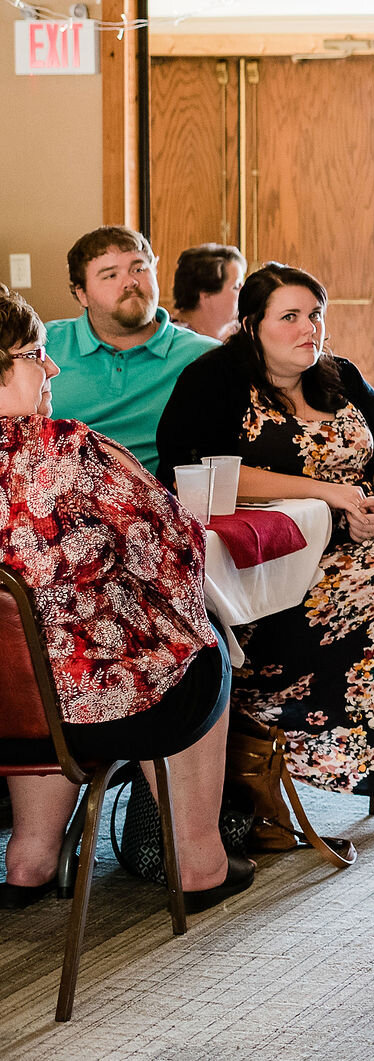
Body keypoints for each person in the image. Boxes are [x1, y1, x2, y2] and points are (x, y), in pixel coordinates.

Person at [156, 263, 374, 808]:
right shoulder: (215, 378)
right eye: (289, 317)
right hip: (263, 551)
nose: (307, 329)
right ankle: (268, 709)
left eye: (314, 315)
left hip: (350, 537)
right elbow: (199, 467)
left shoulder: (340, 374)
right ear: (252, 325)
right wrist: (328, 491)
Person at [0, 288, 253, 912]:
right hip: (100, 706)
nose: (53, 367)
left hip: (7, 709)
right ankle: (198, 861)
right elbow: (173, 550)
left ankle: (30, 859)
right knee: (203, 645)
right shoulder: (68, 453)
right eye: (36, 354)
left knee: (29, 673)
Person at [45, 226, 217, 473]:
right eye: (110, 275)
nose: (130, 282)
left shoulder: (205, 356)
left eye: (139, 268)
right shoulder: (42, 345)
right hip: (54, 499)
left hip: (161, 501)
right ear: (82, 294)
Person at [169, 243, 246, 340]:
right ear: (206, 295)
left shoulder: (244, 333)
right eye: (236, 286)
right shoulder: (176, 340)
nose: (244, 291)